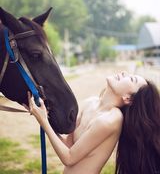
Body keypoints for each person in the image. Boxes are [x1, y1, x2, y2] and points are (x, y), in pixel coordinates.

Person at [24, 71, 160, 174]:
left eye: (131, 79)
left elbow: (69, 158)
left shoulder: (112, 119)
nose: (124, 73)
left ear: (128, 99)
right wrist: (42, 114)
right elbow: (68, 144)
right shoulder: (90, 102)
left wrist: (43, 121)